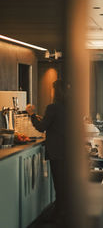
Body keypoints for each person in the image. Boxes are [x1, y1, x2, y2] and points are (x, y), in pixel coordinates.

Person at [26, 80, 67, 220]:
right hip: (68, 151)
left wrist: (31, 114)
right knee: (64, 184)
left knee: (59, 184)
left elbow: (42, 127)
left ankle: (58, 215)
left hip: (57, 152)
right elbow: (55, 124)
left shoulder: (52, 107)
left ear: (55, 91)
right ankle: (62, 213)